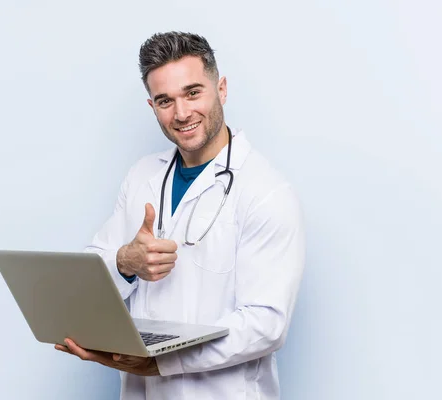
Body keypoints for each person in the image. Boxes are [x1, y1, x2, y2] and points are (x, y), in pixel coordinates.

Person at [55, 31, 305, 399]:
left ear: (221, 89)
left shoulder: (265, 192)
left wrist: (162, 362)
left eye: (193, 93)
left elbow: (266, 324)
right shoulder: (142, 176)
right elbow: (91, 273)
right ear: (151, 106)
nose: (182, 113)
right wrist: (125, 261)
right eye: (165, 100)